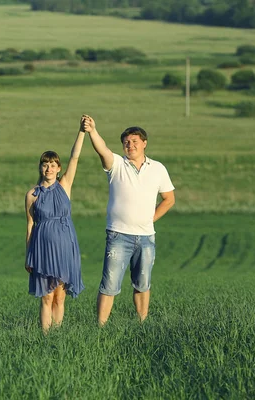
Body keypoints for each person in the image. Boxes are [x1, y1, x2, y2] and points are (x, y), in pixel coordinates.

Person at [82, 115, 175, 326]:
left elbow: (169, 199)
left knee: (142, 283)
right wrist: (93, 131)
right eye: (126, 142)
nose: (130, 145)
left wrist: (151, 218)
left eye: (134, 141)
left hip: (146, 237)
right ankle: (100, 326)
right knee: (109, 284)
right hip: (118, 235)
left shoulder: (158, 168)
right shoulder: (116, 164)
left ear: (144, 143)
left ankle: (142, 322)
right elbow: (102, 149)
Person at [25, 118, 86, 333]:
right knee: (46, 296)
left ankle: (57, 335)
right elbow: (30, 225)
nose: (48, 168)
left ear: (58, 168)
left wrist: (81, 132)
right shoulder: (32, 195)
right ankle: (44, 336)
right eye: (45, 164)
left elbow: (75, 156)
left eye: (52, 165)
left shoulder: (65, 185)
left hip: (65, 246)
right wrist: (28, 255)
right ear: (40, 168)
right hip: (41, 247)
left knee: (60, 296)